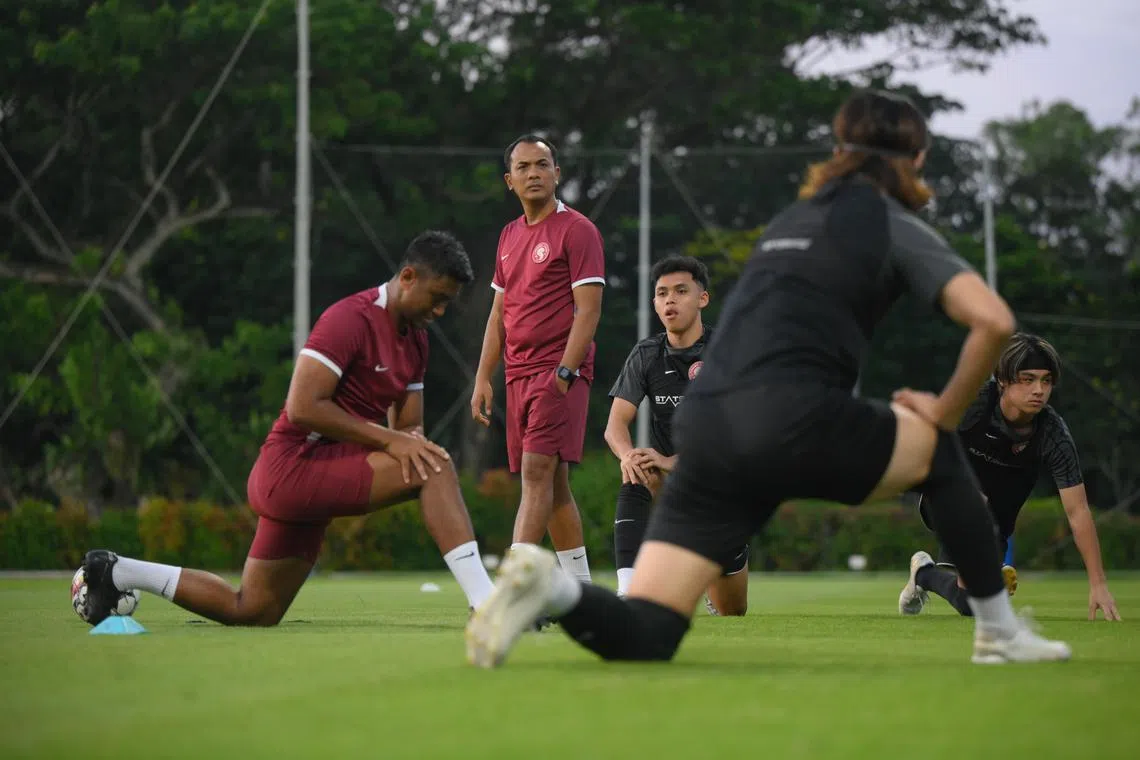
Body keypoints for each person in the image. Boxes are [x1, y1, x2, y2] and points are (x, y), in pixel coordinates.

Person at [465, 89, 1073, 668]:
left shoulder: (791, 218)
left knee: (648, 628)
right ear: (915, 158)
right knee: (940, 450)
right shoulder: (889, 221)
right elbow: (993, 321)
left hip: (709, 425)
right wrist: (942, 411)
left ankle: (556, 589)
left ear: (838, 152)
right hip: (795, 413)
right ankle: (997, 631)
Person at [78, 231, 496, 626]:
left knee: (253, 611)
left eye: (448, 304)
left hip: (319, 477)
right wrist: (397, 442)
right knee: (435, 467)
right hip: (292, 468)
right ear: (408, 277)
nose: (439, 311)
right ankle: (487, 604)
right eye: (436, 298)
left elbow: (409, 428)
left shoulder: (417, 340)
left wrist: (408, 441)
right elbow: (302, 408)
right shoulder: (349, 318)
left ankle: (119, 571)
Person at [898, 333, 1121, 621]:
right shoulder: (975, 404)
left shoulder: (1053, 435)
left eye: (1046, 380)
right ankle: (987, 568)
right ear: (1002, 379)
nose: (1039, 389)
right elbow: (930, 443)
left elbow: (1078, 511)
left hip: (996, 524)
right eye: (1027, 379)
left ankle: (924, 573)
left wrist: (1098, 584)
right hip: (947, 498)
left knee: (971, 606)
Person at [470, 134, 605, 584]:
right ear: (510, 180)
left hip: (558, 371)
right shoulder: (509, 235)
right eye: (524, 167)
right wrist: (483, 377)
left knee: (536, 472)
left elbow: (589, 310)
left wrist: (564, 374)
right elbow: (498, 313)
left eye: (542, 165)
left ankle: (513, 587)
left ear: (557, 173)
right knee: (554, 485)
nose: (534, 173)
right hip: (517, 376)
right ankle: (583, 591)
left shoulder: (577, 229)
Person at [604, 254, 748, 616]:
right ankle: (627, 594)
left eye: (681, 291)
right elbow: (615, 426)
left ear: (703, 298)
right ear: (654, 303)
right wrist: (628, 455)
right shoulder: (647, 354)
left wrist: (669, 461)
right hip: (668, 482)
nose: (670, 300)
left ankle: (711, 579)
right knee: (636, 470)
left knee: (732, 612)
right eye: (662, 293)